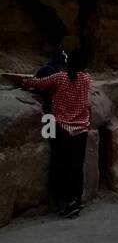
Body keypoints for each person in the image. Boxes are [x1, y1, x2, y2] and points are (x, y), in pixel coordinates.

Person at [23, 49, 92, 217]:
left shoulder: (59, 77)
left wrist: (24, 81)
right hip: (81, 129)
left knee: (62, 165)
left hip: (61, 127)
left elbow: (36, 83)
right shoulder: (87, 79)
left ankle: (65, 201)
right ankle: (76, 199)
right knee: (76, 166)